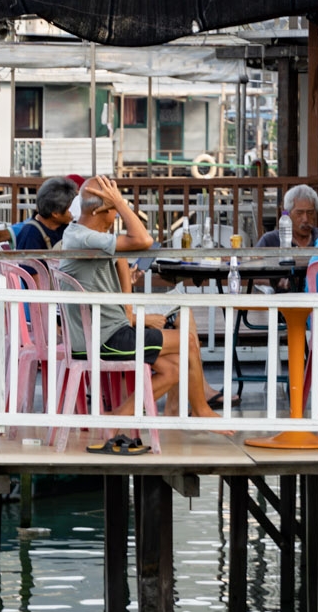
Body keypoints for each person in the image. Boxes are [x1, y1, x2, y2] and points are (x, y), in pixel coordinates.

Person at [55, 175, 226, 448]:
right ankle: (202, 411)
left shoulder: (81, 234)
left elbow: (124, 257)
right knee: (188, 341)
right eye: (114, 207)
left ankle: (115, 421)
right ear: (103, 210)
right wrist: (121, 203)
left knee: (172, 370)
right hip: (106, 339)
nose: (119, 211)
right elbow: (144, 239)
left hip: (106, 332)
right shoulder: (86, 238)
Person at [256, 184, 318, 249]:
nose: (305, 219)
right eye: (299, 213)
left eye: (310, 213)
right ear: (288, 214)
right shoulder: (270, 241)